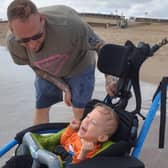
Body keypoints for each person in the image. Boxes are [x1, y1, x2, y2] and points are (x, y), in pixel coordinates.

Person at [6, 0, 117, 124]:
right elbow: (35, 67)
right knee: (41, 107)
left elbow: (101, 46)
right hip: (46, 70)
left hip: (79, 64)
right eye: (24, 41)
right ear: (12, 30)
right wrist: (63, 86)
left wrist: (110, 77)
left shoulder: (69, 24)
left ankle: (79, 140)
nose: (32, 46)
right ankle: (39, 139)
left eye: (37, 36)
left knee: (80, 110)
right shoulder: (13, 44)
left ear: (42, 20)